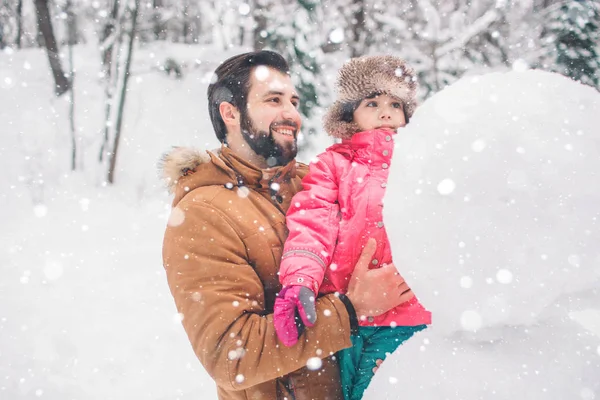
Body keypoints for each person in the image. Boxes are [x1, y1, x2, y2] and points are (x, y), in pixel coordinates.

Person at [160, 50, 414, 400]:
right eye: (274, 100)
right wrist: (350, 310)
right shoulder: (203, 214)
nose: (292, 114)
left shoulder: (315, 181)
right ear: (230, 112)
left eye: (294, 101)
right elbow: (231, 355)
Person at [273, 55, 432, 400]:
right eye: (372, 103)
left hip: (410, 316)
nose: (386, 112)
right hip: (349, 317)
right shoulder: (334, 165)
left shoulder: (424, 163)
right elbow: (311, 222)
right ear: (350, 115)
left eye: (395, 103)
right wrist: (300, 280)